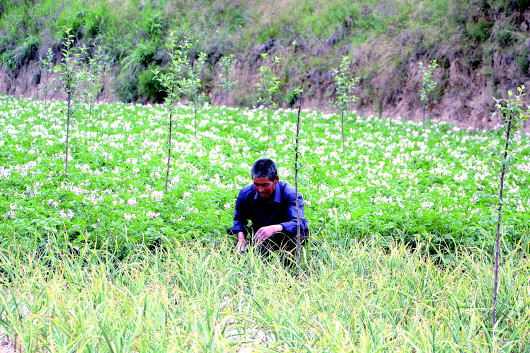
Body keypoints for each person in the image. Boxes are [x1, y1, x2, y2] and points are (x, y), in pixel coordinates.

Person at [227, 158, 309, 259]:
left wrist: (274, 228)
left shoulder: (290, 193)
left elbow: (300, 224)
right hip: (261, 236)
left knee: (297, 237)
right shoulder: (246, 193)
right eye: (256, 184)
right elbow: (239, 218)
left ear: (276, 180)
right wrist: (241, 237)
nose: (260, 190)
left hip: (286, 236)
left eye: (265, 185)